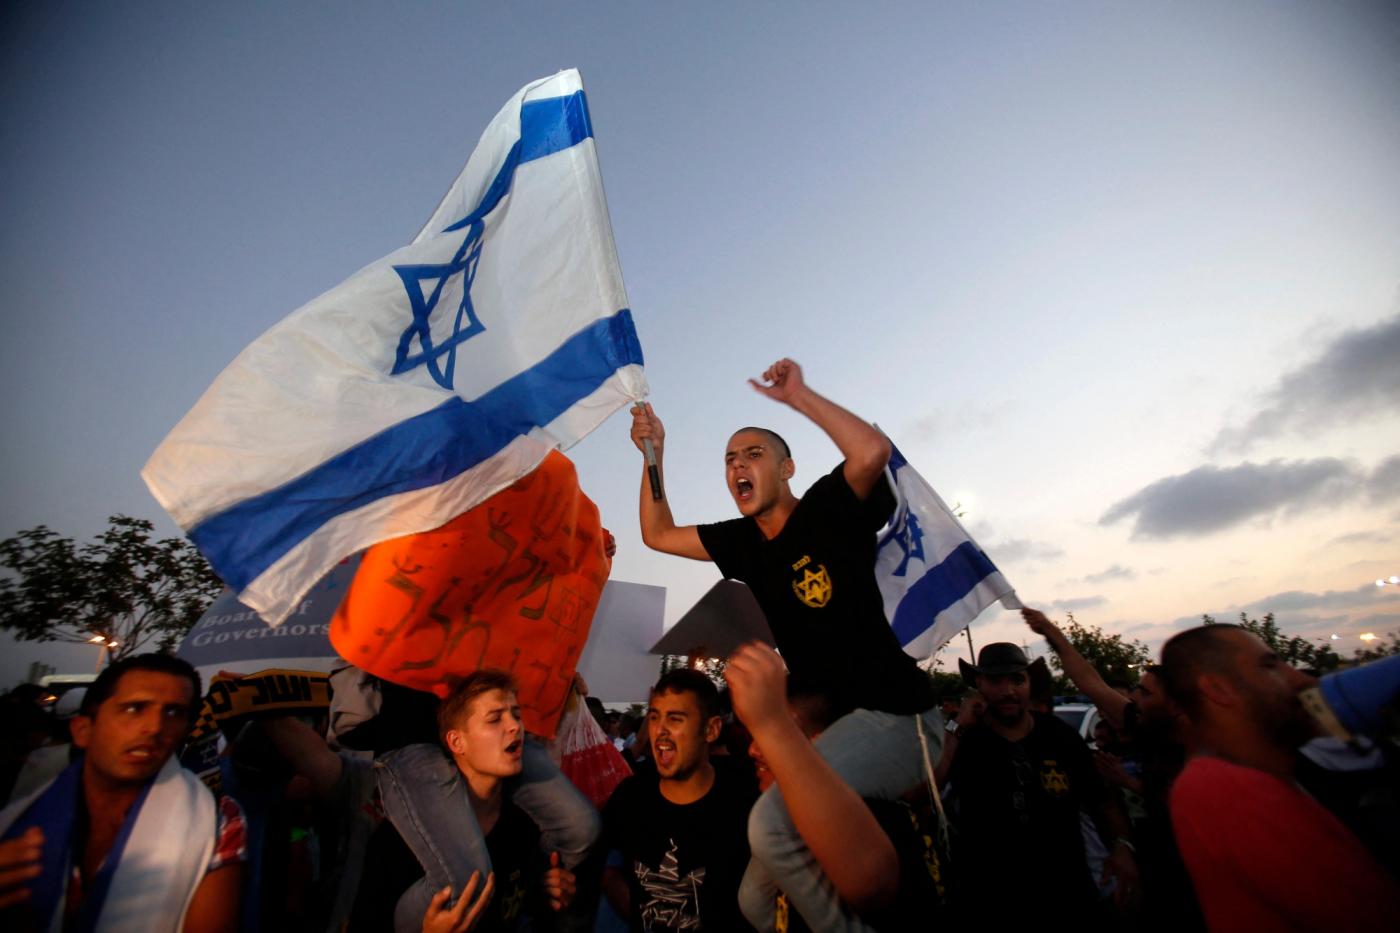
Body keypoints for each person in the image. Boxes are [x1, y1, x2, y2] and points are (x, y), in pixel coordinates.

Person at [630, 358, 941, 931]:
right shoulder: (742, 542)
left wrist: (799, 396)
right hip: (839, 727)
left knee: (772, 829)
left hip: (899, 716)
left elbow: (871, 452)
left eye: (752, 454)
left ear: (786, 467)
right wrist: (653, 455)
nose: (737, 466)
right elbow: (657, 534)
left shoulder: (827, 506)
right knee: (754, 898)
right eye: (729, 459)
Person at [1161, 624, 1400, 931]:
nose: (1301, 680)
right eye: (1269, 665)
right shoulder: (1224, 791)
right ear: (1218, 690)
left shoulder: (1267, 777)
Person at [0, 653, 245, 933]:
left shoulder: (217, 821)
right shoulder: (17, 815)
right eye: (134, 708)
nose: (155, 727)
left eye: (174, 712)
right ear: (83, 730)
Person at [726, 643, 943, 932]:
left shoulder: (875, 825)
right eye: (753, 733)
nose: (754, 748)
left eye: (786, 730)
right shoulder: (786, 829)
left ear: (828, 743)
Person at [939, 642, 1137, 928]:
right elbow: (928, 792)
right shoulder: (967, 741)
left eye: (1017, 679)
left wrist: (1122, 846)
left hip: (1067, 898)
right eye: (996, 680)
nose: (1008, 691)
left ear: (1029, 683)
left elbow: (1101, 800)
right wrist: (957, 726)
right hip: (988, 902)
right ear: (979, 684)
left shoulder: (1060, 736)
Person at [601, 669, 758, 932]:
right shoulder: (630, 796)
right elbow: (608, 869)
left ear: (711, 729)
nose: (660, 731)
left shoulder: (746, 800)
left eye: (675, 719)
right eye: (654, 717)